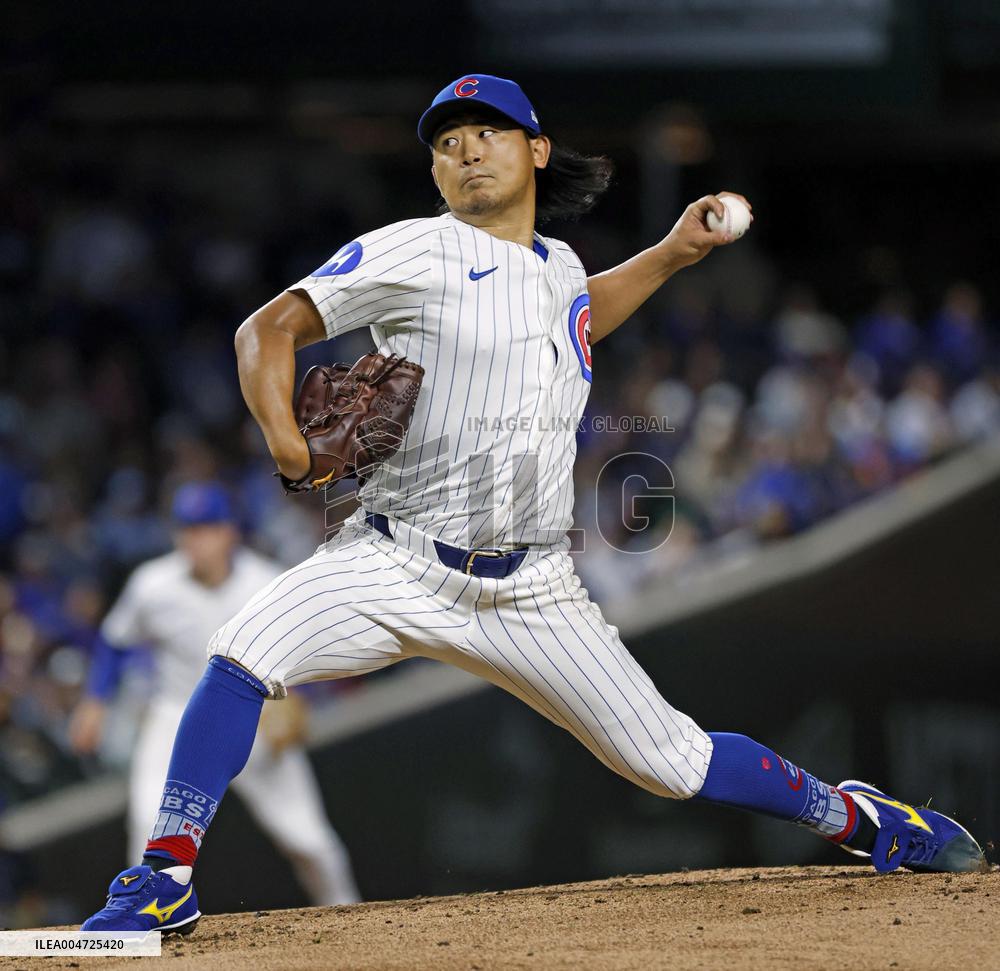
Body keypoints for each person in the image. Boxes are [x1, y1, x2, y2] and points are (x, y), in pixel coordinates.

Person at [81, 74, 983, 934]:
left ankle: (860, 818)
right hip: (390, 559)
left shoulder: (557, 266)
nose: (467, 151)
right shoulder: (416, 246)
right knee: (240, 651)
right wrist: (284, 439)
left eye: (488, 134)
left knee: (674, 762)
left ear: (538, 150)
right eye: (448, 143)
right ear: (433, 169)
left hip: (534, 589)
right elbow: (266, 328)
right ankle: (163, 876)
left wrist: (671, 254)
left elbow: (574, 312)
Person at [71, 482, 360, 920]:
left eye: (206, 528)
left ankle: (352, 919)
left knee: (308, 839)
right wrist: (95, 702)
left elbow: (304, 644)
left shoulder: (265, 581)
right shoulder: (153, 584)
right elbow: (114, 641)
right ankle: (142, 926)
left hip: (250, 716)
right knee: (147, 833)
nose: (196, 539)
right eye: (188, 529)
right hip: (174, 719)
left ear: (230, 532)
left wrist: (295, 695)